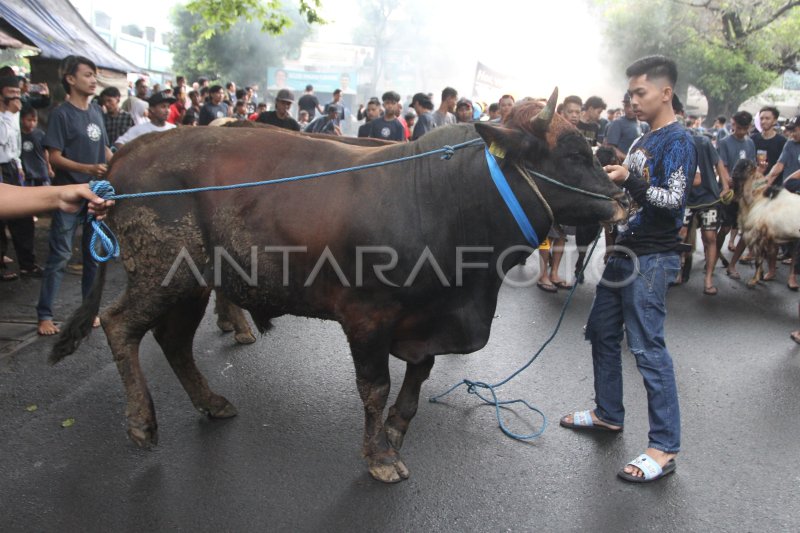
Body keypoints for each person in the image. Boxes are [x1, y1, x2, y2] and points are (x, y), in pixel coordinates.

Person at [561, 55, 697, 483]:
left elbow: (673, 201)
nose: (633, 100)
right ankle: (608, 414)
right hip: (624, 251)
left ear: (665, 92)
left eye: (640, 92)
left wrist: (628, 180)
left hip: (654, 258)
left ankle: (664, 448)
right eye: (631, 93)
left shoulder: (679, 141)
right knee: (601, 331)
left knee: (647, 348)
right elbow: (634, 198)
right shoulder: (641, 141)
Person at [37, 55, 114, 336]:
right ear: (70, 79)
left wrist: (120, 162)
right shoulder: (61, 114)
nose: (93, 80)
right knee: (60, 255)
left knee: (94, 257)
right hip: (68, 197)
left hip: (95, 197)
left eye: (94, 75)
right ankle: (44, 315)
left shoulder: (96, 112)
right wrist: (86, 167)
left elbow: (105, 150)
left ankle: (89, 311)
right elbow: (54, 157)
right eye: (88, 75)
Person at [0, 76, 41, 281]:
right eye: (11, 93)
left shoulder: (14, 113)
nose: (16, 98)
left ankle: (28, 264)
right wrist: (8, 114)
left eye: (18, 93)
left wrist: (18, 164)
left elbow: (14, 143)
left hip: (12, 167)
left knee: (24, 216)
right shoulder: (8, 114)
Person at [717, 111, 758, 279]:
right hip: (730, 192)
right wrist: (728, 185)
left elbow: (753, 167)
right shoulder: (725, 142)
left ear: (749, 127)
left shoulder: (750, 143)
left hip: (746, 194)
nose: (741, 131)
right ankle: (714, 255)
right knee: (725, 228)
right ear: (733, 124)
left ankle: (732, 264)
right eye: (738, 128)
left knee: (746, 231)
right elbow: (722, 166)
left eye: (744, 128)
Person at [604, 92, 648, 161]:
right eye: (626, 106)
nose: (629, 109)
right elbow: (610, 147)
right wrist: (628, 160)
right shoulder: (617, 123)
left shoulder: (645, 125)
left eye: (631, 106)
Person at [19, 106, 53, 187]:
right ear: (22, 119)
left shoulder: (40, 134)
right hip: (27, 174)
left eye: (34, 121)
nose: (32, 123)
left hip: (41, 172)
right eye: (29, 120)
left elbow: (46, 152)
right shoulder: (18, 136)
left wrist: (49, 167)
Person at [752, 106, 786, 181]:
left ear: (775, 121)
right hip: (755, 181)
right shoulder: (752, 139)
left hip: (775, 183)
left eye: (767, 118)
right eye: (761, 118)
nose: (763, 121)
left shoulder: (782, 141)